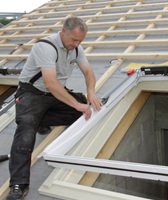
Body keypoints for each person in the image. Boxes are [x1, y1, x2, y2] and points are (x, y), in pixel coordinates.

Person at [6, 16, 103, 200]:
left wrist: (91, 91)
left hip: (55, 93)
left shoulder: (76, 48)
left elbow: (88, 71)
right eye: (74, 40)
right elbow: (50, 82)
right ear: (63, 32)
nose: (76, 44)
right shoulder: (45, 46)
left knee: (86, 113)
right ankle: (19, 184)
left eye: (80, 41)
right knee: (26, 129)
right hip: (32, 93)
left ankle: (41, 118)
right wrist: (77, 104)